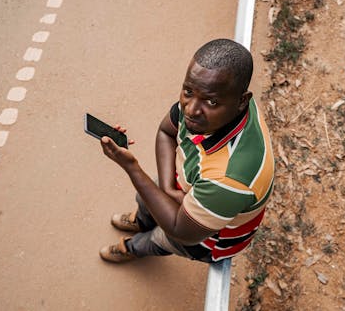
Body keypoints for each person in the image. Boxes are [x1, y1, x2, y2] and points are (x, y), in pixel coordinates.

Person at [98, 38, 274, 263]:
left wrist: (132, 168)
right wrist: (168, 189)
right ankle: (142, 220)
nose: (190, 110)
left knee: (159, 239)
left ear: (242, 101)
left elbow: (179, 231)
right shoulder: (215, 100)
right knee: (147, 198)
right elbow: (166, 131)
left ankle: (131, 248)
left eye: (210, 102)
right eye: (188, 91)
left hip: (206, 235)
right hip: (186, 185)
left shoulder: (230, 179)